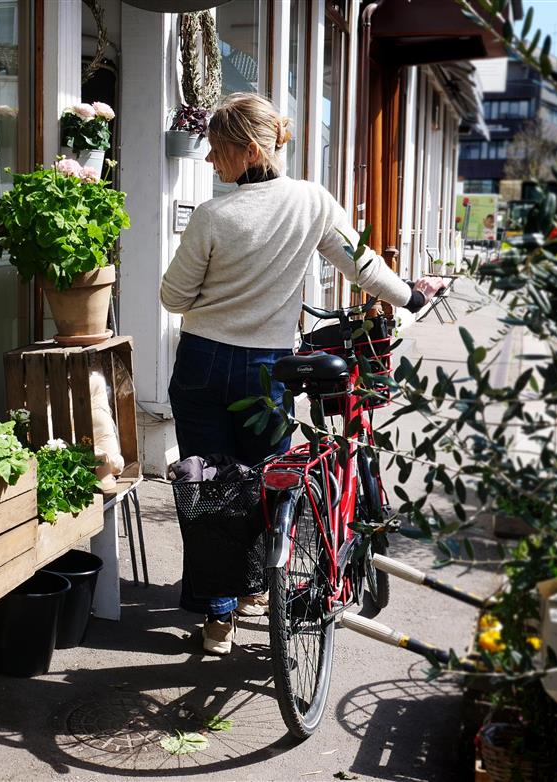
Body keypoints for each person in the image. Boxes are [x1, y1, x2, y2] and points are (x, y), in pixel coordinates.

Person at [159, 92, 446, 655]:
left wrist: (214, 295)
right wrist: (411, 296)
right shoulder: (312, 202)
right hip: (267, 368)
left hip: (201, 362)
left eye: (217, 152)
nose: (212, 163)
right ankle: (259, 591)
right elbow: (360, 265)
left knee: (209, 485)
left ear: (246, 150)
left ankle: (219, 617)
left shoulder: (215, 215)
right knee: (266, 479)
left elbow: (173, 297)